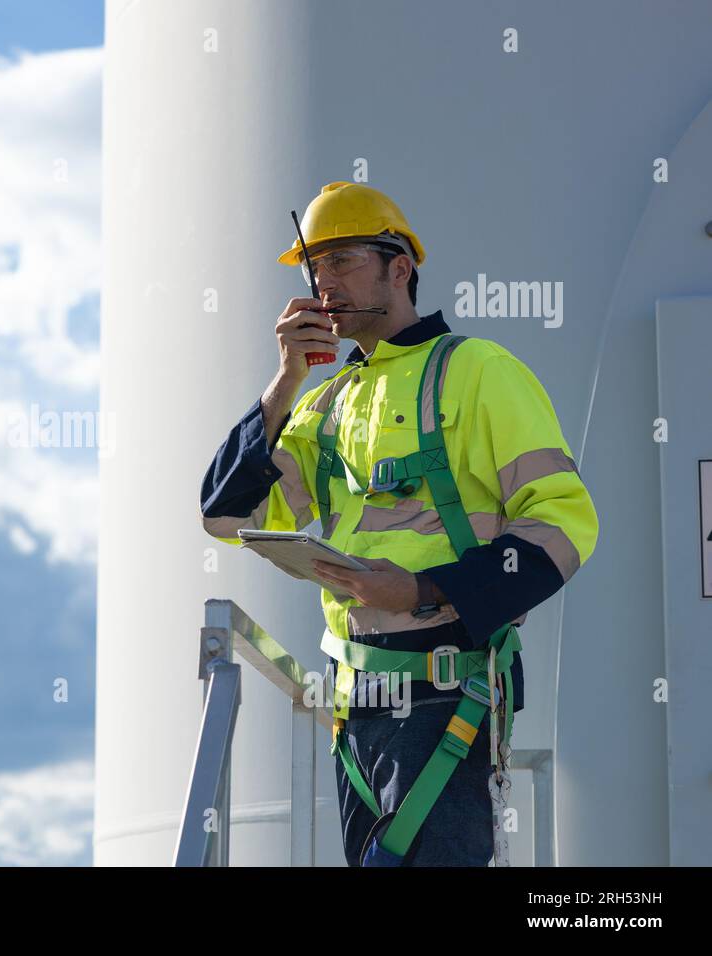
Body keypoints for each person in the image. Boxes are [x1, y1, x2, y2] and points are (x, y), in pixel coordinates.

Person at [199, 181, 599, 866]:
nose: (326, 284)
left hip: (451, 696)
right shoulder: (326, 401)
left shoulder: (479, 372)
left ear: (400, 267)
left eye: (344, 260)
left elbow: (564, 527)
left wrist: (418, 590)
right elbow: (226, 514)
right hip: (355, 711)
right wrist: (286, 380)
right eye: (315, 267)